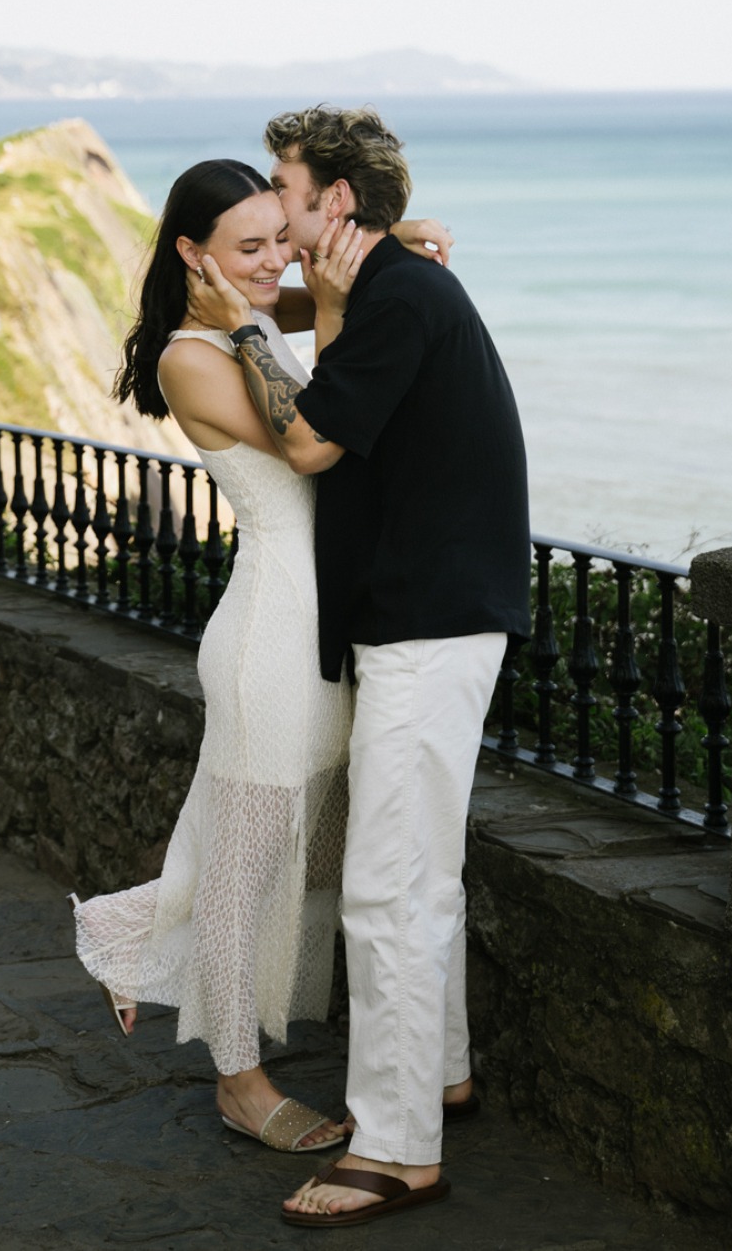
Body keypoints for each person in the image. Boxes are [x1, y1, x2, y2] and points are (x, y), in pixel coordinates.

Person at [187, 106, 531, 1226]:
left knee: (384, 887)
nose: (277, 212)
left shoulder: (387, 301)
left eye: (286, 187)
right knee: (413, 871)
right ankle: (440, 1076)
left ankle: (395, 1151)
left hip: (430, 624)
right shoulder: (389, 290)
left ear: (335, 199)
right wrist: (315, 299)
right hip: (424, 615)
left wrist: (277, 319)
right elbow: (316, 336)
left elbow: (310, 439)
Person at [68, 157, 451, 1155]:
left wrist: (393, 246)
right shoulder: (195, 357)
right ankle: (238, 1080)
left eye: (285, 237)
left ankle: (132, 935)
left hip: (328, 633)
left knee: (315, 850)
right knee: (246, 867)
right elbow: (314, 433)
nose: (277, 261)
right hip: (270, 639)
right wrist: (323, 301)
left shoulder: (252, 325)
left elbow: (312, 320)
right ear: (193, 256)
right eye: (251, 248)